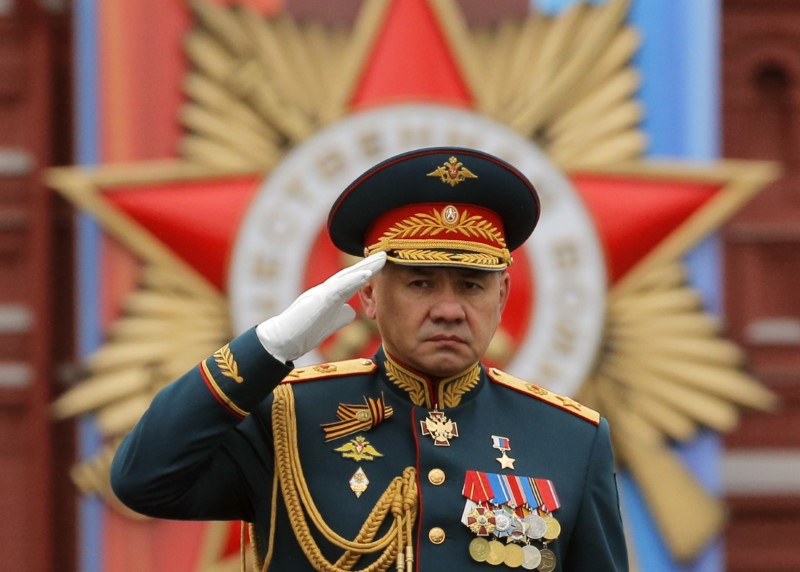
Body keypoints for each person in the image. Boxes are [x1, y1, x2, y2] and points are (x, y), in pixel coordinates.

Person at [111, 147, 628, 571]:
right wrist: (267, 349)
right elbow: (143, 479)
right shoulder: (290, 417)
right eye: (420, 284)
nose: (449, 310)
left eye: (472, 285)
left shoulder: (571, 438)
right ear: (370, 296)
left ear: (502, 295)